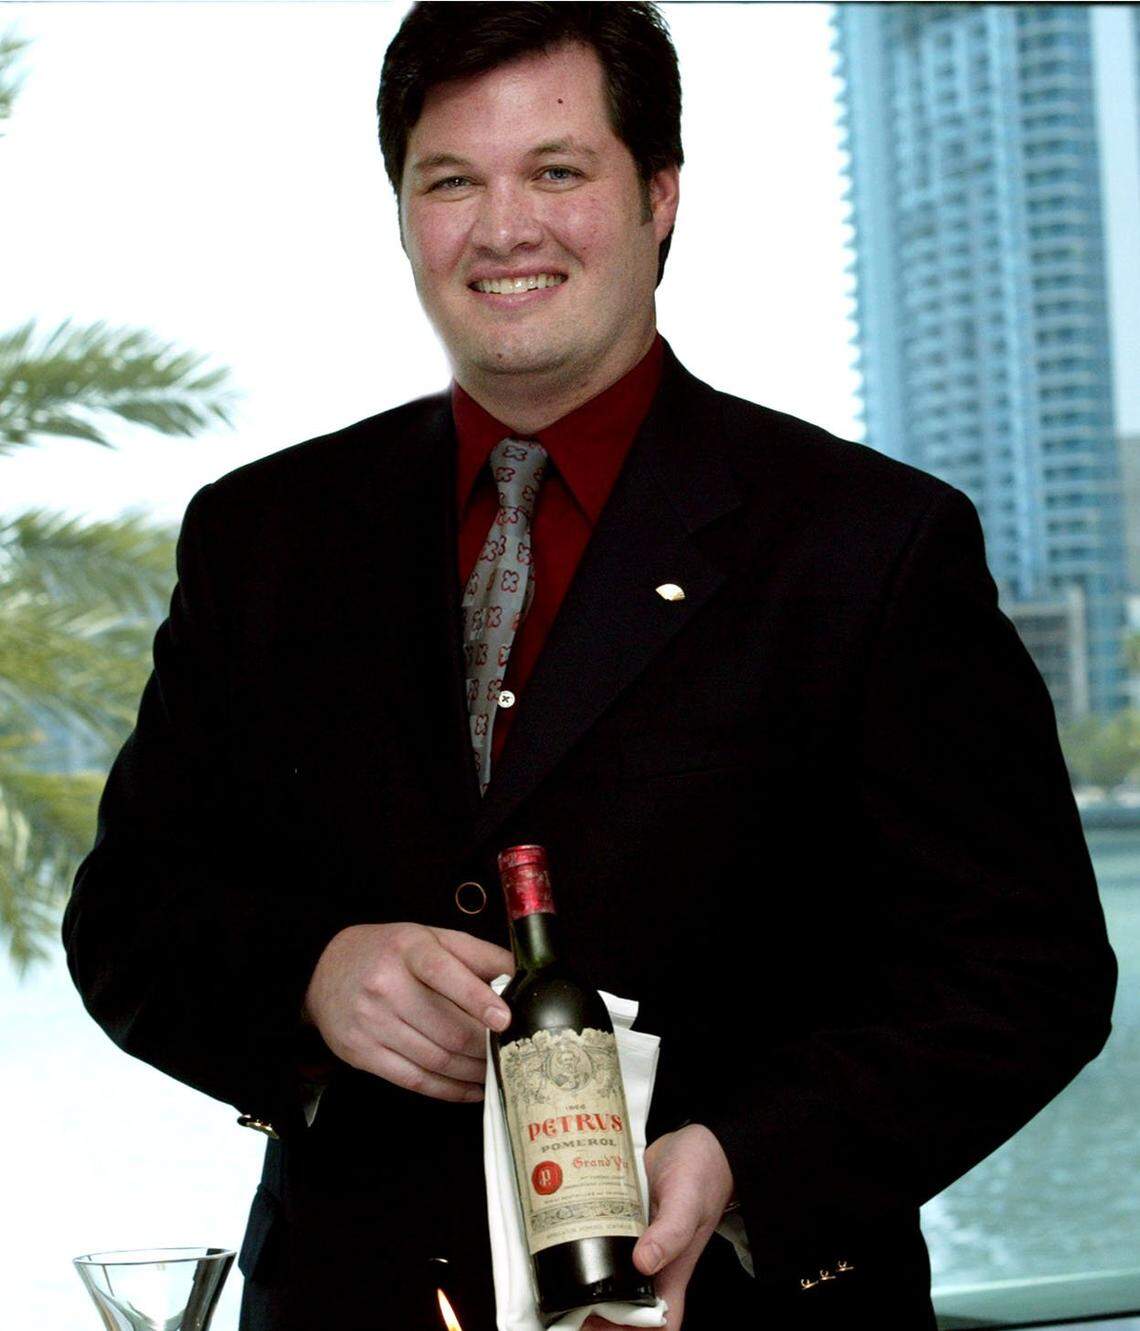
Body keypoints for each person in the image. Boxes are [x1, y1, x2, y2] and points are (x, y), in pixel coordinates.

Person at [63, 4, 1117, 1329]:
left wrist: (745, 1161)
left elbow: (1032, 973)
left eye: (558, 172)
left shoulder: (871, 542)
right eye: (453, 182)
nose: (506, 228)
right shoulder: (263, 534)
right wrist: (313, 982)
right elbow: (127, 916)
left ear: (659, 198)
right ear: (403, 216)